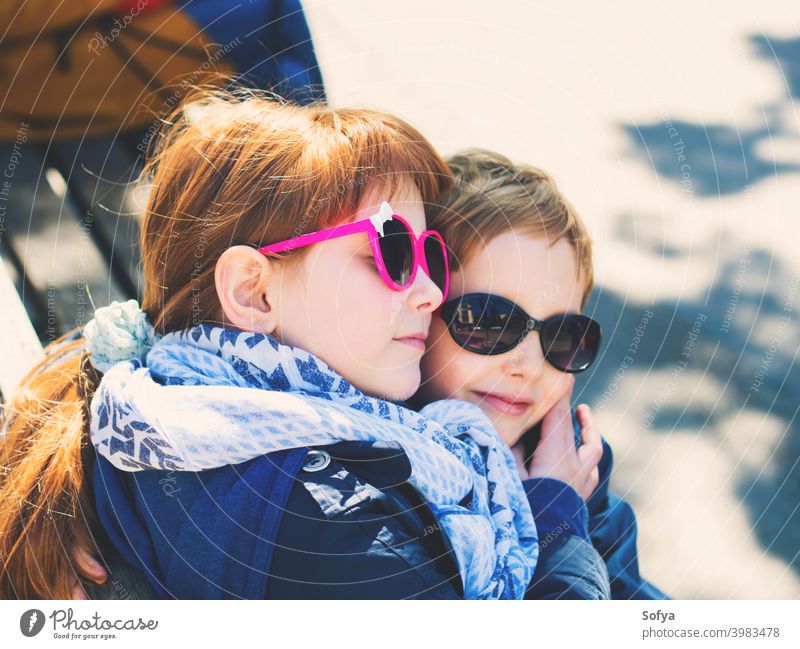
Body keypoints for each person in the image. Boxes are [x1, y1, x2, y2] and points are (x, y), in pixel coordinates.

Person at [0, 87, 609, 600]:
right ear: (255, 293)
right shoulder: (321, 514)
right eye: (391, 252)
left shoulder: (162, 406)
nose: (428, 292)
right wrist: (554, 516)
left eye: (432, 258)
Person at [413, 149, 668, 599]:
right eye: (490, 320)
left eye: (562, 335)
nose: (528, 366)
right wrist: (554, 512)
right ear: (418, 310)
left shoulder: (577, 467)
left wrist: (569, 501)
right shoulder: (379, 470)